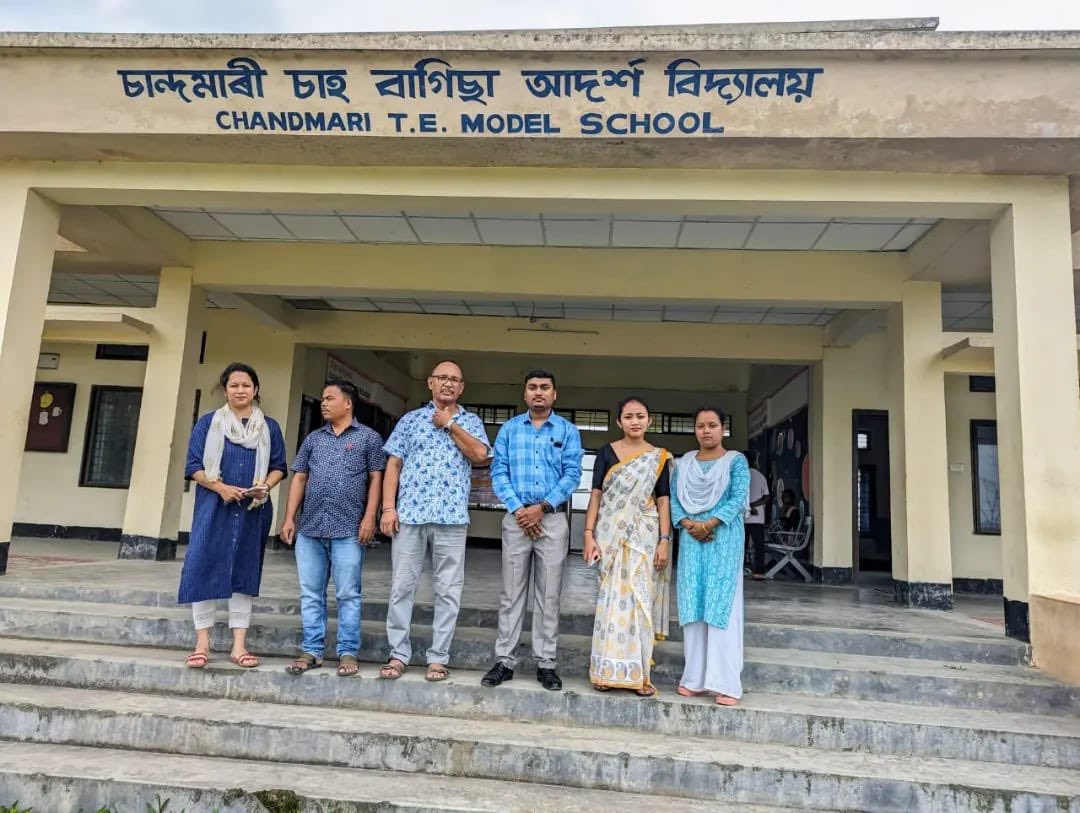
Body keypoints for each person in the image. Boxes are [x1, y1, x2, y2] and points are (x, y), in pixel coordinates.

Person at [378, 360, 490, 682]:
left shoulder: (470, 422)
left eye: (454, 379)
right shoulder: (411, 420)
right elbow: (393, 466)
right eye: (442, 378)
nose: (448, 384)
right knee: (401, 587)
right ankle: (398, 654)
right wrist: (388, 508)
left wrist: (450, 424)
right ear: (430, 382)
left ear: (462, 387)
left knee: (449, 591)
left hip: (452, 518)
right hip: (410, 516)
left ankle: (438, 658)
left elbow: (480, 455)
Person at [179, 362, 287, 669]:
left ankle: (239, 646)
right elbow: (193, 466)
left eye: (246, 385)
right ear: (225, 390)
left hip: (253, 510)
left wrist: (264, 486)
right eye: (234, 385)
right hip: (214, 507)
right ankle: (202, 644)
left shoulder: (269, 428)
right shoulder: (208, 423)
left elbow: (280, 465)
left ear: (256, 390)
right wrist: (221, 488)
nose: (240, 390)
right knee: (204, 565)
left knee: (244, 570)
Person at [482, 370, 583, 691]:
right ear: (524, 395)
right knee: (511, 594)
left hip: (551, 520)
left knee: (548, 594)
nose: (538, 392)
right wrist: (519, 509)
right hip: (516, 519)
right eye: (532, 388)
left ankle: (546, 663)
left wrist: (543, 507)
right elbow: (498, 472)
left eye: (545, 388)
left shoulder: (567, 431)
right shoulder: (510, 430)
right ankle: (504, 661)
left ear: (555, 394)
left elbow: (572, 474)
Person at [279, 379, 386, 677]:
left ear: (347, 403)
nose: (323, 403)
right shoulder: (314, 438)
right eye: (323, 399)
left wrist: (370, 518)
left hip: (349, 529)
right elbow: (299, 478)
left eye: (329, 398)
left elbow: (376, 478)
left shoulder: (369, 438)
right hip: (311, 528)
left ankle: (348, 652)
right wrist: (289, 518)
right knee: (311, 593)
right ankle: (312, 650)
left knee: (348, 594)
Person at [583, 396, 672, 697]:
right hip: (610, 536)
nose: (635, 421)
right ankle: (605, 672)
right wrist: (588, 533)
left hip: (645, 537)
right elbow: (596, 495)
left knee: (639, 600)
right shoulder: (607, 453)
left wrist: (664, 540)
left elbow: (663, 500)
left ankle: (639, 674)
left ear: (650, 421)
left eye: (641, 416)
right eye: (629, 416)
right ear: (619, 421)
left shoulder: (657, 457)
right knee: (610, 601)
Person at [671, 407, 751, 706]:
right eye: (701, 426)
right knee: (693, 604)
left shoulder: (736, 462)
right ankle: (693, 679)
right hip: (691, 540)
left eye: (712, 425)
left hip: (724, 539)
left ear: (722, 429)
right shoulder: (683, 463)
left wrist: (710, 523)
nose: (706, 431)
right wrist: (689, 524)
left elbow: (738, 498)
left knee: (721, 607)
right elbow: (674, 501)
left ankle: (726, 683)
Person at [745, 453, 770, 580]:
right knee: (758, 545)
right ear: (754, 460)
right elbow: (766, 497)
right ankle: (759, 572)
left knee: (740, 546)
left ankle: (740, 569)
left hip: (742, 517)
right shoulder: (761, 476)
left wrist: (747, 506)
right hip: (757, 518)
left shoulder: (738, 476)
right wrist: (753, 505)